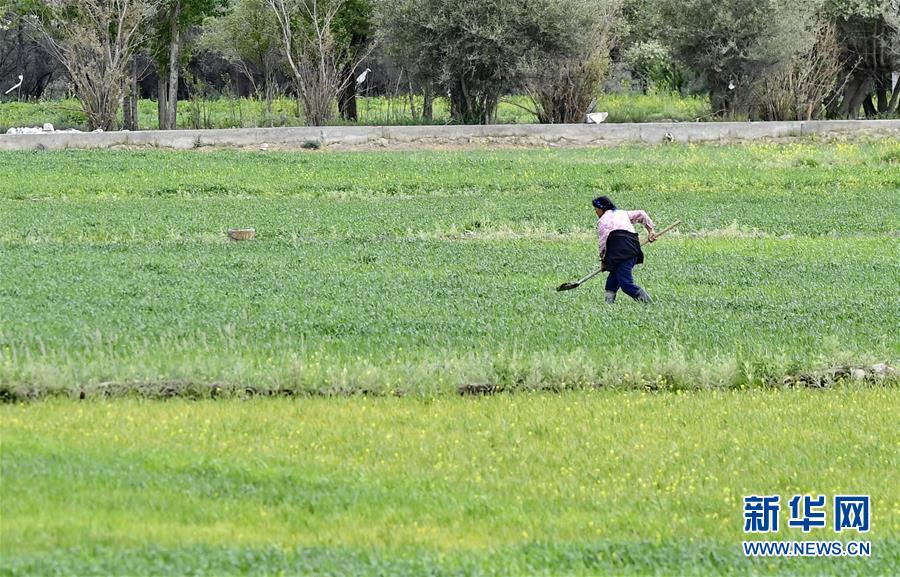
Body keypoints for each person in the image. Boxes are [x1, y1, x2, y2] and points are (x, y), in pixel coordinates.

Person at [593, 196, 657, 303]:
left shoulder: (602, 221)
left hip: (620, 253)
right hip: (632, 249)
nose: (595, 212)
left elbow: (603, 243)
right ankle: (608, 304)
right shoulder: (623, 213)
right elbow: (641, 214)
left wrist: (603, 261)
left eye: (596, 209)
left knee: (626, 284)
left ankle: (649, 303)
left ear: (601, 208)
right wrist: (651, 231)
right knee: (612, 280)